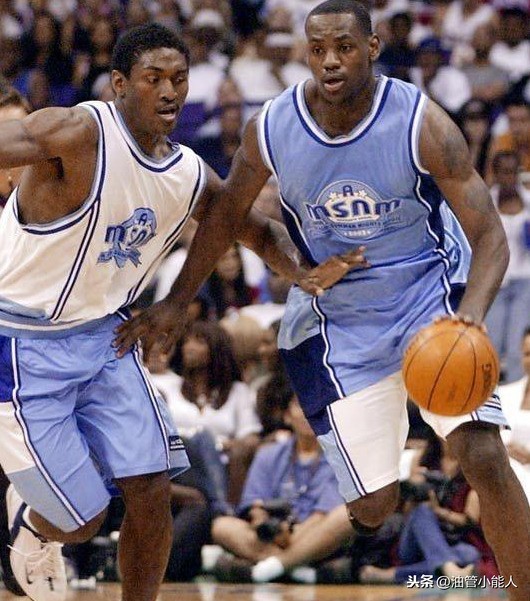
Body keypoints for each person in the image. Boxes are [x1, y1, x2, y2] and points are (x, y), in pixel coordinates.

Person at [116, 1, 530, 597]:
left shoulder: (422, 123)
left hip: (428, 300)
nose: (330, 60)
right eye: (318, 49)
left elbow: (490, 236)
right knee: (372, 508)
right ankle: (393, 482)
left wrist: (470, 317)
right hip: (340, 323)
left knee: (484, 456)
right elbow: (227, 213)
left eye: (344, 47)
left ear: (372, 49)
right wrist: (180, 299)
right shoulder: (273, 127)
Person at [0, 22, 364, 601]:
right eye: (154, 79)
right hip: (19, 344)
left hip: (105, 338)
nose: (170, 91)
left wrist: (305, 270)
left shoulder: (188, 172)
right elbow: (13, 139)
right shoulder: (78, 131)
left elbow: (254, 229)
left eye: (179, 78)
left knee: (152, 489)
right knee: (83, 520)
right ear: (120, 84)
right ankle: (34, 527)